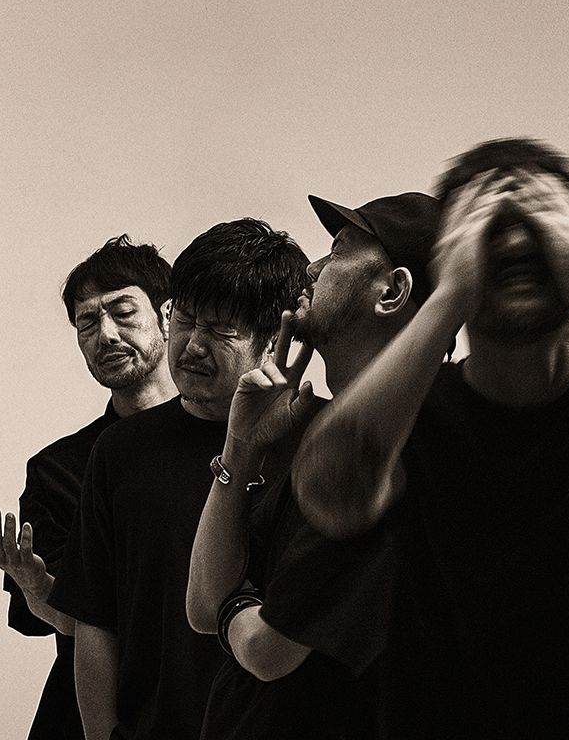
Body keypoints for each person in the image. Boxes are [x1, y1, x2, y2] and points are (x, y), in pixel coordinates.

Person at [294, 138, 569, 738]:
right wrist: (449, 294)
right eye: (489, 233)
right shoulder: (412, 413)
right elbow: (331, 495)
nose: (513, 245)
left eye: (539, 229)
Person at [186, 193, 442, 738]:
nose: (313, 267)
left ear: (392, 292)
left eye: (339, 250)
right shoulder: (319, 428)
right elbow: (200, 605)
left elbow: (267, 650)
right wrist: (240, 447)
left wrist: (234, 607)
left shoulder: (397, 447)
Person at [47, 219, 311, 740]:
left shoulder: (318, 439)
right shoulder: (120, 450)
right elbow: (96, 621)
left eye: (220, 330)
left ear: (272, 338)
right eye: (186, 320)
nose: (192, 345)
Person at [0, 235, 178, 739]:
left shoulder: (229, 441)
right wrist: (37, 589)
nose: (106, 335)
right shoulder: (58, 469)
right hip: (87, 716)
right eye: (87, 323)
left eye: (123, 312)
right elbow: (67, 620)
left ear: (167, 315)